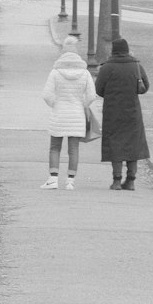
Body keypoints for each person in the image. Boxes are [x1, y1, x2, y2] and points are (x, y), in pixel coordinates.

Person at [41, 35, 97, 191]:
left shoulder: (56, 72)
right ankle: (70, 181)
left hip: (59, 113)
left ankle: (53, 179)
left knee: (55, 147)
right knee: (73, 149)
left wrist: (55, 103)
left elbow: (46, 94)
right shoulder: (84, 73)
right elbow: (92, 95)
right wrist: (82, 104)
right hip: (77, 114)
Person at [94, 36, 150, 189]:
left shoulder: (106, 67)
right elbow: (146, 86)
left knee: (115, 143)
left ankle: (117, 180)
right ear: (126, 50)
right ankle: (131, 180)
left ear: (113, 51)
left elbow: (98, 89)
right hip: (132, 111)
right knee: (133, 144)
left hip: (113, 111)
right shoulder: (136, 66)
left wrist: (111, 94)